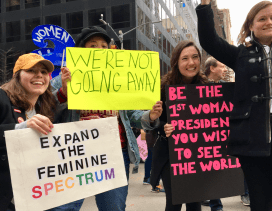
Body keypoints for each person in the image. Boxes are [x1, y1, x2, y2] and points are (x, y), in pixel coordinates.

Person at [50, 26, 163, 211]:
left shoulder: (118, 79)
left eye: (103, 45)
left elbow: (132, 115)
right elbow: (44, 111)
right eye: (92, 45)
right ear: (81, 51)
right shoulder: (63, 78)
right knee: (64, 208)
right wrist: (63, 92)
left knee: (113, 208)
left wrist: (149, 116)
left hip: (114, 154)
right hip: (75, 155)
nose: (99, 49)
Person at [196, 1, 272, 211]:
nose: (268, 22)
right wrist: (205, 6)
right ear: (251, 26)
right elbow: (209, 41)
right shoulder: (240, 54)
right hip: (253, 142)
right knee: (261, 202)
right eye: (262, 18)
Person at [0, 53, 71, 211]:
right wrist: (20, 129)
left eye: (44, 72)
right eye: (31, 70)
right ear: (17, 76)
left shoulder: (46, 107)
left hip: (38, 196)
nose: (39, 75)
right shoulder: (2, 98)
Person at [151, 40, 207, 211]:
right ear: (176, 62)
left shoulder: (207, 88)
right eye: (185, 58)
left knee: (195, 201)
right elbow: (152, 120)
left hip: (198, 153)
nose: (191, 63)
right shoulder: (162, 87)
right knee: (175, 201)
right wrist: (163, 126)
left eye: (195, 57)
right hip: (170, 154)